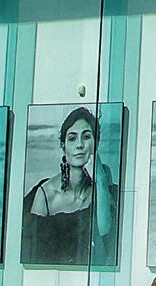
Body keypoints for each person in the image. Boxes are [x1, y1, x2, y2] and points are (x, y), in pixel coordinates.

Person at [21, 107, 119, 267]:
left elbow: (105, 234)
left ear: (96, 142)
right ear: (63, 146)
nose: (80, 145)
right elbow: (33, 254)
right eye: (72, 138)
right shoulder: (46, 194)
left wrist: (100, 179)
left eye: (86, 137)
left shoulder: (104, 185)